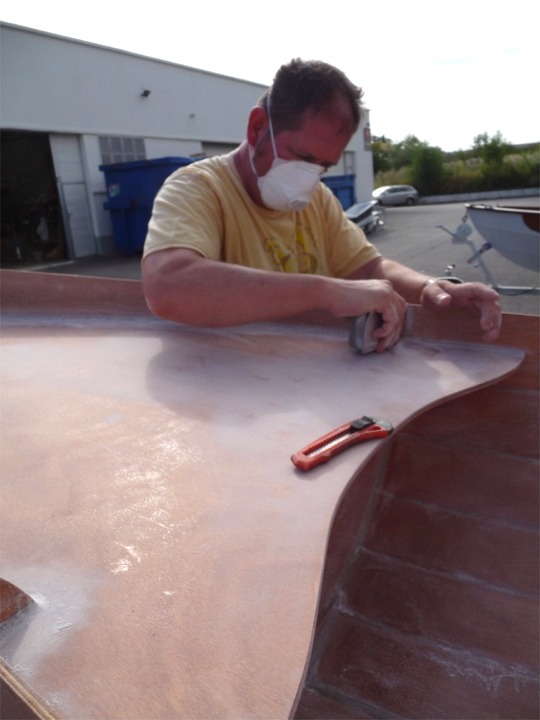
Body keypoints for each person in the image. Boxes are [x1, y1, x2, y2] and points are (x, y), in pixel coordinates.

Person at [142, 59, 501, 351]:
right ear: (256, 129)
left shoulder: (317, 200)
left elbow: (366, 268)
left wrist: (433, 288)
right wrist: (327, 292)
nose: (308, 178)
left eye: (323, 166)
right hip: (218, 405)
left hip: (293, 394)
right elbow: (168, 286)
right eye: (301, 156)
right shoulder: (199, 188)